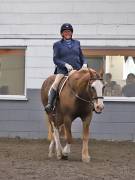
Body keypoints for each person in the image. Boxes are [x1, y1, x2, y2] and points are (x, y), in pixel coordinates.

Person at [45, 23, 88, 113]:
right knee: (56, 84)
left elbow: (81, 56)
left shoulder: (77, 43)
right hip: (62, 70)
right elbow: (56, 59)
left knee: (88, 83)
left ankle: (90, 104)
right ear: (62, 34)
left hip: (77, 70)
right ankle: (50, 104)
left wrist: (84, 64)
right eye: (65, 32)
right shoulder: (57, 45)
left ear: (71, 33)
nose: (67, 33)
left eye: (69, 31)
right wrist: (65, 64)